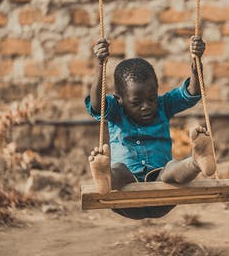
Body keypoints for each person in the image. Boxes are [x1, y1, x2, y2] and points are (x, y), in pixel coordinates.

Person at [85, 36, 216, 219]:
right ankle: (105, 177)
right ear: (119, 99)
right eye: (136, 102)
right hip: (125, 194)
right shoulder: (116, 111)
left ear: (157, 92)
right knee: (120, 170)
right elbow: (97, 105)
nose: (146, 106)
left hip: (163, 190)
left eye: (151, 98)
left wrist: (197, 63)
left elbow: (192, 93)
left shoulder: (164, 105)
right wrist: (100, 64)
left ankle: (196, 162)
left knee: (171, 168)